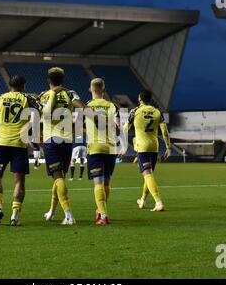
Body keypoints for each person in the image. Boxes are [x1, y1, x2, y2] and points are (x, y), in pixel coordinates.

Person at [0, 75, 40, 226]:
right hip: (19, 145)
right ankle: (15, 216)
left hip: (1, 143)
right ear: (23, 86)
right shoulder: (28, 99)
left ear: (9, 86)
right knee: (19, 181)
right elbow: (36, 117)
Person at [39, 67, 85, 225]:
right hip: (67, 141)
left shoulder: (44, 95)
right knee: (59, 179)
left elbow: (44, 114)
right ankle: (52, 211)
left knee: (57, 178)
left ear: (48, 81)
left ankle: (68, 214)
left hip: (51, 140)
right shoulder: (71, 93)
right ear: (62, 80)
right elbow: (83, 108)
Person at [122, 90, 171, 212]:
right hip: (154, 147)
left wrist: (123, 146)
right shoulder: (157, 112)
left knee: (147, 174)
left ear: (139, 99)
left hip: (142, 148)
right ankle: (142, 200)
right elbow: (164, 131)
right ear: (150, 99)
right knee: (149, 175)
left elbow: (124, 129)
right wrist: (168, 146)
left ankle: (158, 202)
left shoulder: (135, 111)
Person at [85, 78, 119, 225]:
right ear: (104, 91)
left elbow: (79, 128)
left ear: (90, 89)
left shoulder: (87, 106)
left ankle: (103, 215)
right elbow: (117, 129)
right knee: (106, 182)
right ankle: (100, 210)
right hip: (111, 148)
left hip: (96, 147)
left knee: (98, 182)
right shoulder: (111, 106)